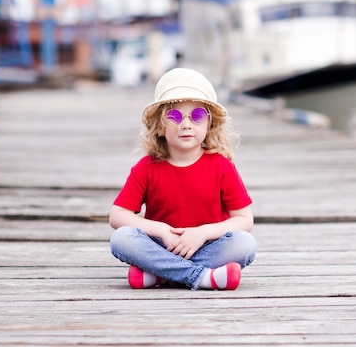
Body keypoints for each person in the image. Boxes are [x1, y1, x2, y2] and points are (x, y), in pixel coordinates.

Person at [109, 67, 256, 290]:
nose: (185, 124)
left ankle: (161, 274)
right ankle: (202, 277)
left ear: (209, 124)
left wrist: (203, 232)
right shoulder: (147, 168)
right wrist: (162, 231)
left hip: (207, 246)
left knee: (244, 244)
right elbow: (117, 215)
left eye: (196, 116)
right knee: (121, 238)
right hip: (160, 247)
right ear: (159, 126)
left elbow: (245, 220)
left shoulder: (221, 167)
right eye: (174, 116)